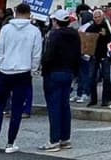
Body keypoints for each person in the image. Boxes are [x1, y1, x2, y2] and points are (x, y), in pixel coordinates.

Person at [0, 3, 42, 153]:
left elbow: (0, 50)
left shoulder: (6, 29)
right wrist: (33, 69)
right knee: (17, 109)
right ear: (29, 14)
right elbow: (36, 54)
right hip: (23, 72)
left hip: (5, 71)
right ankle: (10, 143)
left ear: (16, 13)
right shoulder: (34, 31)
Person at [39, 8, 80, 151]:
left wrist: (43, 68)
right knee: (64, 106)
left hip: (54, 72)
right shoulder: (75, 34)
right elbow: (77, 54)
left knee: (54, 107)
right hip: (68, 72)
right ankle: (65, 138)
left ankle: (54, 140)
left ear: (55, 21)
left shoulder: (54, 35)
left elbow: (48, 55)